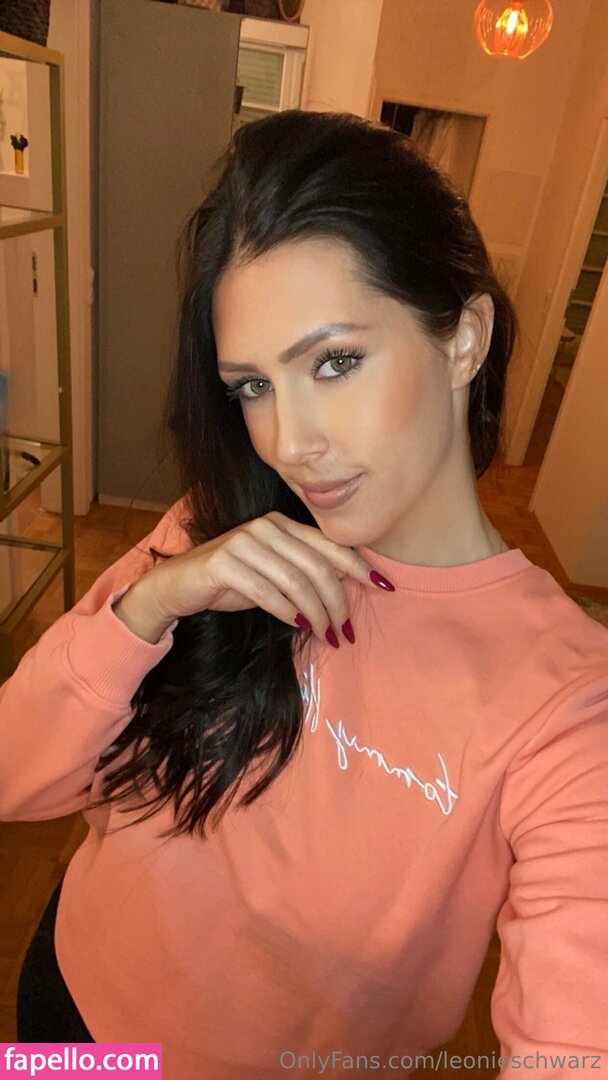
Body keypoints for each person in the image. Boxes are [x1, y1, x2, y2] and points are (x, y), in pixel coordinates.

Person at [2, 109, 607, 1080]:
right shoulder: (216, 535)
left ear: (463, 339)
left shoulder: (568, 706)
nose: (289, 443)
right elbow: (13, 773)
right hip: (64, 1010)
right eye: (252, 386)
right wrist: (151, 607)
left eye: (334, 362)